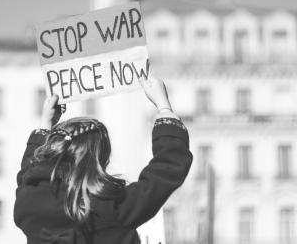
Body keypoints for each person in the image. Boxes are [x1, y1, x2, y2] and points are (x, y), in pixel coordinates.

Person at [14, 76, 193, 244]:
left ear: (55, 150)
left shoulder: (28, 202)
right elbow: (167, 168)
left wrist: (45, 124)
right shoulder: (111, 207)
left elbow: (28, 174)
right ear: (100, 159)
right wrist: (164, 106)